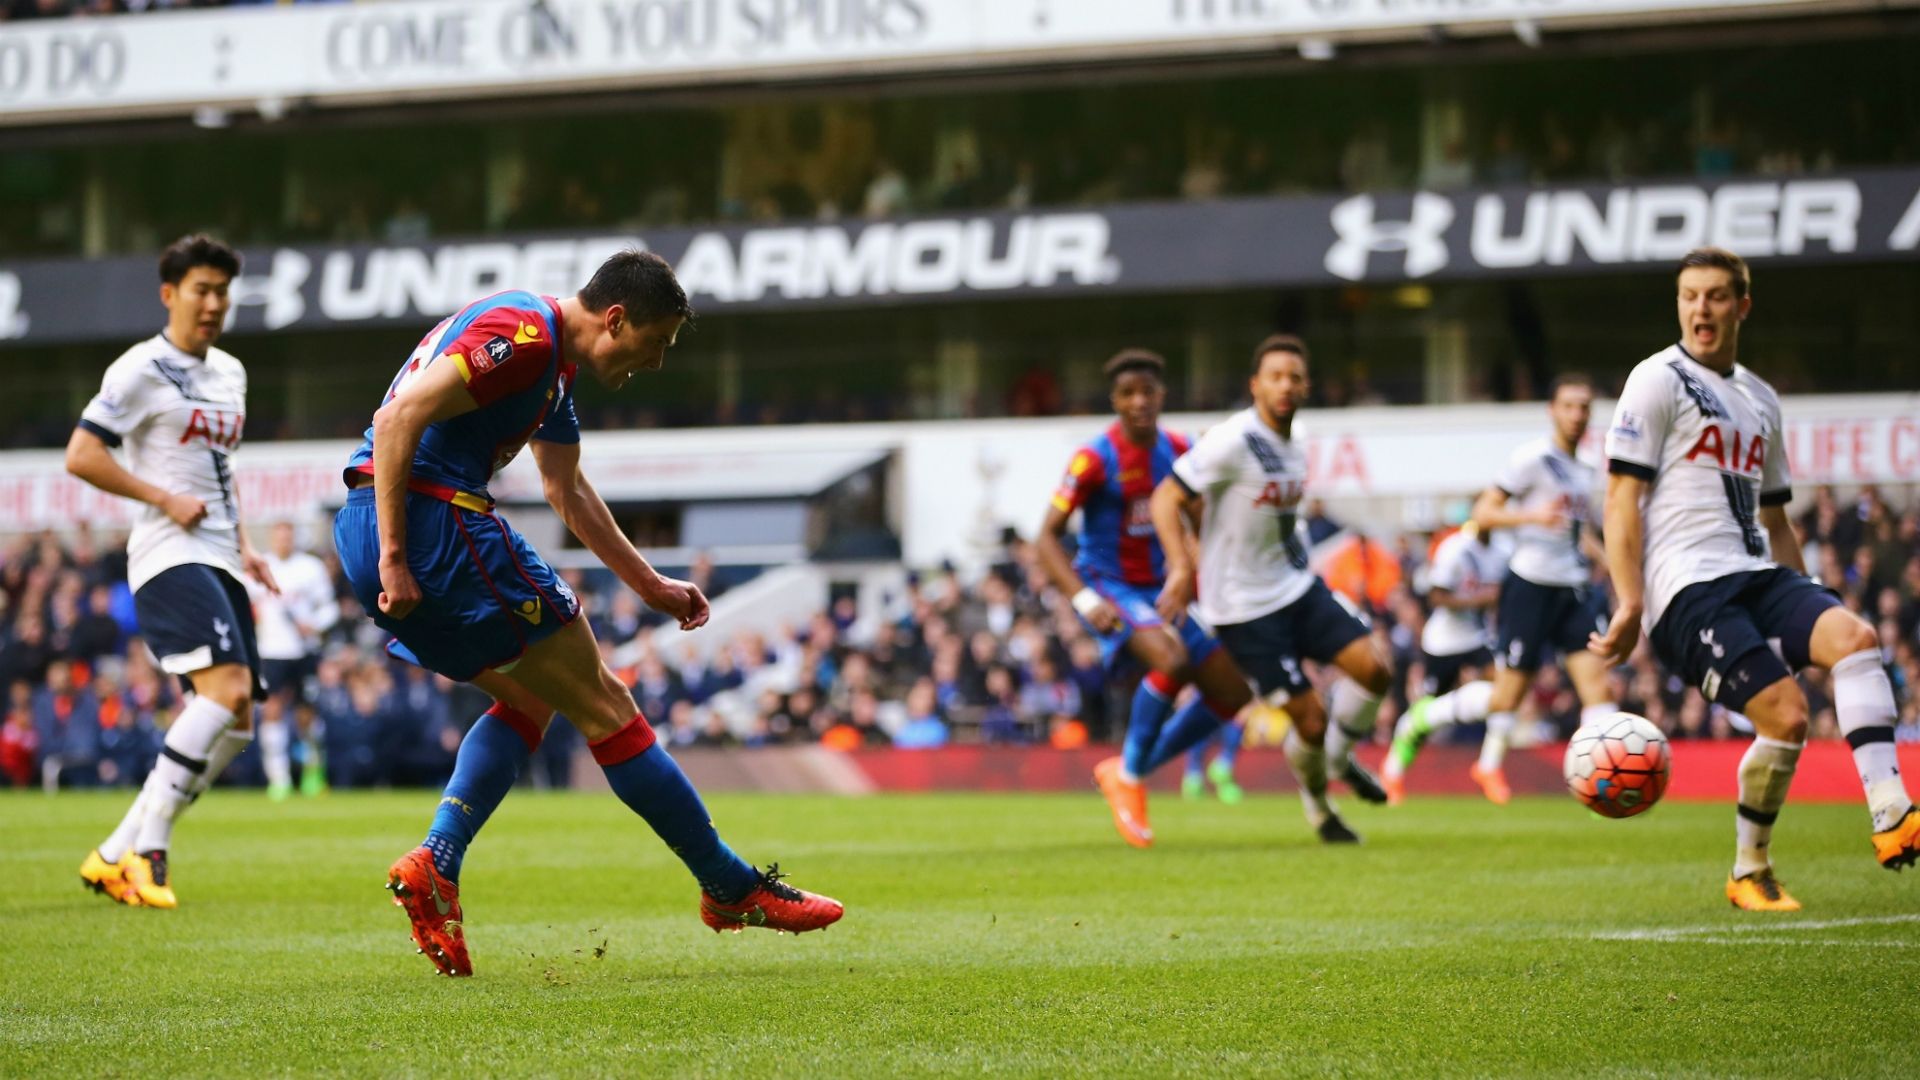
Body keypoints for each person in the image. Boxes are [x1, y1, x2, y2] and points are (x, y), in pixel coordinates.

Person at [331, 249, 841, 976]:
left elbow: (566, 490)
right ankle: (730, 887)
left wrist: (649, 584)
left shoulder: (551, 375)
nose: (657, 362)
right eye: (657, 342)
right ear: (616, 318)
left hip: (381, 526)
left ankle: (436, 861)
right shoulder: (526, 335)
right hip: (429, 522)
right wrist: (394, 556)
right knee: (607, 702)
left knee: (537, 700)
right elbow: (395, 419)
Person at [1592, 247, 1919, 911]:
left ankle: (1892, 814)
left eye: (1715, 296)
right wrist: (1630, 600)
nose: (1700, 309)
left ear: (1742, 306)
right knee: (1789, 717)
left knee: (1854, 638)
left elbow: (1776, 517)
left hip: (1759, 573)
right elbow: (1620, 496)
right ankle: (1749, 870)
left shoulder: (1761, 399)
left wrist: (1805, 609)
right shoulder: (1656, 380)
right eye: (1689, 296)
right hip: (1688, 591)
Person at [71, 235, 278, 909]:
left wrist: (244, 545)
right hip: (168, 552)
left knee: (240, 718)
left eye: (223, 291)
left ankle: (110, 853)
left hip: (220, 553)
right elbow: (81, 455)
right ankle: (148, 849)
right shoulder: (140, 369)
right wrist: (162, 499)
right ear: (170, 294)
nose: (215, 303)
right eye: (202, 290)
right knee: (224, 689)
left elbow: (223, 472)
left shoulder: (232, 373)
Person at [1148, 334, 1392, 844]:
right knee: (1310, 719)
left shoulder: (1296, 442)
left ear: (1306, 387)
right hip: (1243, 610)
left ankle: (1340, 763)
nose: (1286, 385)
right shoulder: (1232, 440)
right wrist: (1179, 565)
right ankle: (1321, 810)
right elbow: (1166, 497)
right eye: (1276, 376)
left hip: (1295, 586)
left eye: (1295, 377)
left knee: (1376, 669)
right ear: (1255, 385)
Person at [1033, 348, 1252, 849]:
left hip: (1162, 589)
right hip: (1110, 585)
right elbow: (1045, 538)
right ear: (1115, 400)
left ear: (1161, 396)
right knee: (1171, 658)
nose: (1139, 402)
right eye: (1128, 393)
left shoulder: (1180, 448)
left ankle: (1129, 769)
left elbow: (1203, 519)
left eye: (1147, 392)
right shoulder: (1094, 459)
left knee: (1233, 692)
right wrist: (1085, 600)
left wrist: (1203, 574)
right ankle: (1130, 779)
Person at [1416, 375, 1616, 804]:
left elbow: (1574, 532)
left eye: (1584, 407)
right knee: (1509, 693)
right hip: (1530, 585)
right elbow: (1483, 512)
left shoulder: (1584, 471)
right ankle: (1447, 730)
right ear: (1552, 411)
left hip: (1572, 587)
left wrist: (1609, 561)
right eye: (1569, 406)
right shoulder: (1532, 459)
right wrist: (1529, 518)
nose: (1577, 414)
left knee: (1597, 687)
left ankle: (1607, 784)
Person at [1382, 522, 1507, 804]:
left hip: (1478, 638)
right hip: (1444, 642)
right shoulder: (1455, 549)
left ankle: (1489, 766)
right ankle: (1393, 772)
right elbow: (1436, 596)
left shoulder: (1502, 551)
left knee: (1505, 693)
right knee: (1426, 715)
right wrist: (1478, 600)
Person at [247, 522, 340, 799]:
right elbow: (245, 603)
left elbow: (329, 607)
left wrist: (314, 625)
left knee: (306, 715)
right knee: (272, 710)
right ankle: (278, 778)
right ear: (272, 539)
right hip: (271, 651)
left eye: (288, 536)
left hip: (304, 651)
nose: (283, 541)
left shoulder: (310, 568)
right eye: (279, 536)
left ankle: (313, 773)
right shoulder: (259, 567)